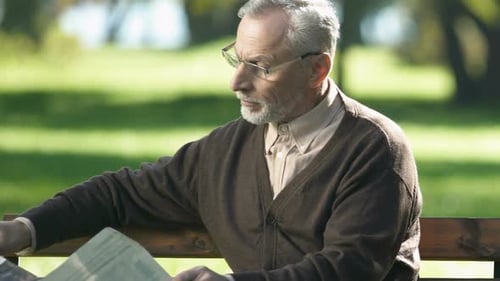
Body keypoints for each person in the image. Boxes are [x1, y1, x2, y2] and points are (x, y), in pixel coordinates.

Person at [0, 0, 423, 280]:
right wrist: (25, 228)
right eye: (237, 59)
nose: (237, 82)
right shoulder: (227, 150)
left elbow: (346, 270)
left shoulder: (376, 149)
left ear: (317, 69)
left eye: (259, 65)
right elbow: (121, 193)